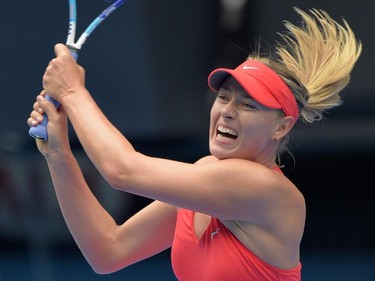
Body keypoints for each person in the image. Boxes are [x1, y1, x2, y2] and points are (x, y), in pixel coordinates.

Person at [27, 8, 361, 281]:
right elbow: (108, 251)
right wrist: (58, 152)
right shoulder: (202, 181)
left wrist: (72, 92)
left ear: (282, 126)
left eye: (248, 105)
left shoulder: (263, 188)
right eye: (224, 98)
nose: (227, 112)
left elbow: (123, 171)